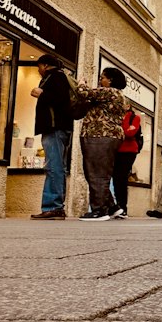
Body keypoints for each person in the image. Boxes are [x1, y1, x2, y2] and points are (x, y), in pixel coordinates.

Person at [78, 67, 130, 220]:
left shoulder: (110, 92)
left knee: (97, 173)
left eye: (103, 78)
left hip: (100, 135)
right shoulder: (118, 95)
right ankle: (112, 207)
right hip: (107, 136)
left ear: (111, 80)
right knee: (97, 172)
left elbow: (84, 92)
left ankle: (99, 210)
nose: (100, 81)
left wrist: (81, 83)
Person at [30, 53, 72, 219]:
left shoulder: (56, 77)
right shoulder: (58, 77)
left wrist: (41, 94)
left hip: (55, 128)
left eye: (39, 67)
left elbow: (61, 100)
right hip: (57, 128)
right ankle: (56, 206)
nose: (38, 71)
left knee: (53, 167)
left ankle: (53, 206)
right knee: (57, 167)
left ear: (45, 65)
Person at [111, 103, 142, 219]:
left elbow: (130, 133)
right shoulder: (116, 116)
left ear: (128, 105)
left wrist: (123, 124)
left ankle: (123, 207)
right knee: (116, 178)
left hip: (129, 150)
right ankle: (118, 206)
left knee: (122, 178)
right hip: (116, 150)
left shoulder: (135, 117)